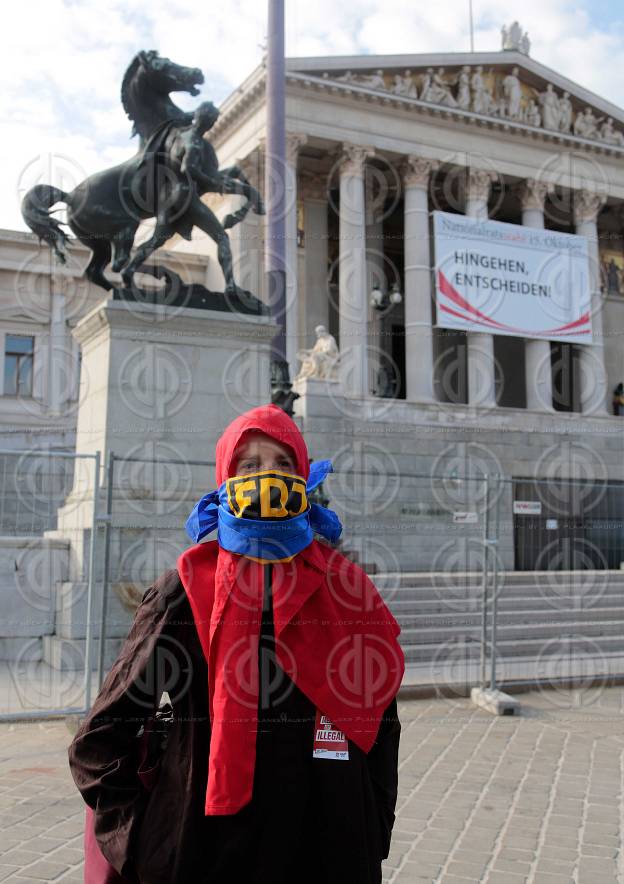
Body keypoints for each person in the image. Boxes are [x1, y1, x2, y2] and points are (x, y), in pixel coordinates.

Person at [68, 403, 405, 884]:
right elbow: (100, 739)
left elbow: (382, 723)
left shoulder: (348, 593)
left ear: (306, 477)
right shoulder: (185, 592)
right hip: (205, 855)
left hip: (329, 852)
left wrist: (372, 826)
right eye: (250, 465)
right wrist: (144, 843)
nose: (268, 478)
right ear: (224, 479)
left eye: (283, 464)